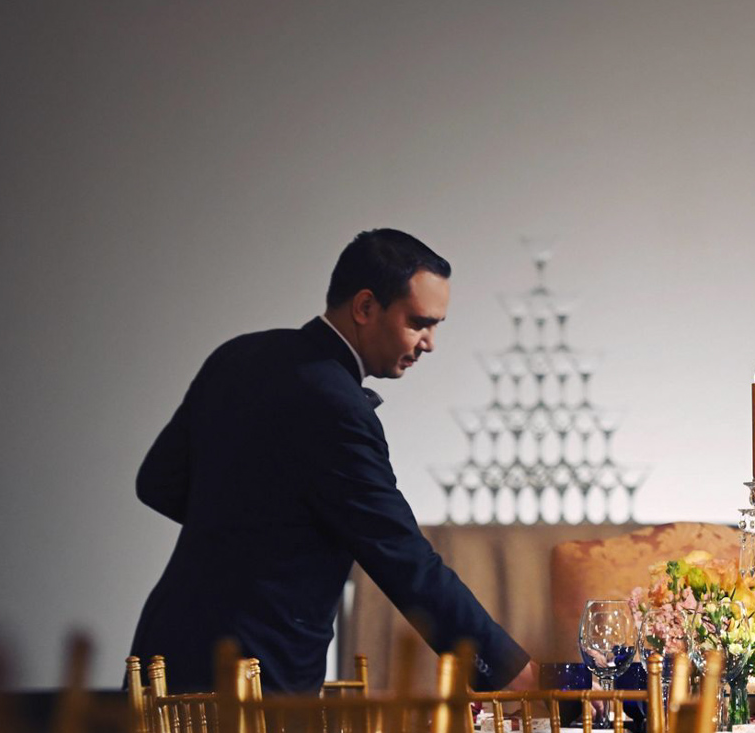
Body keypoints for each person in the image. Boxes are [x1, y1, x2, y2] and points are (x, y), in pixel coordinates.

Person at [130, 229, 534, 693]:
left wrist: (258, 534)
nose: (430, 342)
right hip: (253, 674)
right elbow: (402, 557)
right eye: (419, 322)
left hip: (161, 654)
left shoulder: (237, 355)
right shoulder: (335, 405)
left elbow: (158, 481)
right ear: (365, 307)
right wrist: (506, 669)